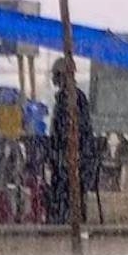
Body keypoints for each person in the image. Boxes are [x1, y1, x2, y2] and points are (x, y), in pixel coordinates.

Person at [48, 58, 96, 224]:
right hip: (75, 158)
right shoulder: (73, 96)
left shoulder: (70, 98)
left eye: (56, 75)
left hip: (73, 159)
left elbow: (66, 131)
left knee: (63, 186)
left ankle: (63, 218)